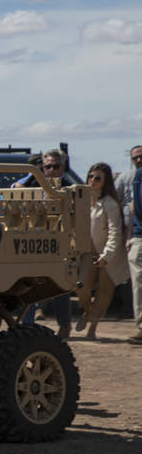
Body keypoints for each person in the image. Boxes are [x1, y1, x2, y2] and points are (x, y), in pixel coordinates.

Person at [18, 149, 75, 338]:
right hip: (33, 241)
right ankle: (27, 326)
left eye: (55, 166)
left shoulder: (69, 186)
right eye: (47, 166)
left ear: (63, 167)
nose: (51, 170)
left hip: (60, 242)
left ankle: (65, 324)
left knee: (61, 286)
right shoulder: (33, 182)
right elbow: (17, 189)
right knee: (29, 284)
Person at [75, 163, 129, 339]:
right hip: (87, 253)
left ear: (105, 181)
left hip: (108, 254)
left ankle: (93, 328)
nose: (93, 181)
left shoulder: (110, 204)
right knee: (81, 287)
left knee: (104, 293)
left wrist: (107, 256)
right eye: (90, 176)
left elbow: (115, 231)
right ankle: (86, 310)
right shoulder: (82, 202)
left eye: (97, 178)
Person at [114, 145, 142, 345]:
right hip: (138, 235)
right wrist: (129, 236)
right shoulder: (132, 177)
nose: (139, 160)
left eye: (141, 156)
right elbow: (131, 209)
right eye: (135, 157)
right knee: (138, 283)